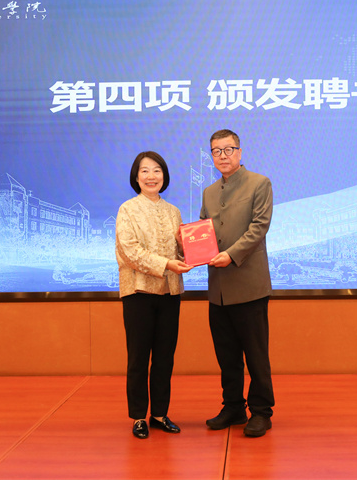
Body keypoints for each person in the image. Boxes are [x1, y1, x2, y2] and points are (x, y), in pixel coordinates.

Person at [200, 129, 275, 438]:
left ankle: (261, 411)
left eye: (228, 149)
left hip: (249, 284)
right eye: (216, 151)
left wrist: (230, 255)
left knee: (255, 354)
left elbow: (259, 226)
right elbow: (203, 231)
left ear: (240, 152)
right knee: (227, 355)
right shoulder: (209, 192)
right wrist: (189, 245)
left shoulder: (260, 183)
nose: (223, 156)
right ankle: (233, 407)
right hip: (218, 288)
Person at [115, 151, 194, 439]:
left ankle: (159, 413)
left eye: (157, 170)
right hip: (138, 291)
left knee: (164, 357)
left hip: (170, 292)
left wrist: (186, 248)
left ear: (164, 176)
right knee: (138, 357)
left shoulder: (174, 211)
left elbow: (181, 254)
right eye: (145, 171)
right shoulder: (127, 209)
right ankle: (139, 416)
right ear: (136, 177)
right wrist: (167, 264)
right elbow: (129, 251)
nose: (151, 176)